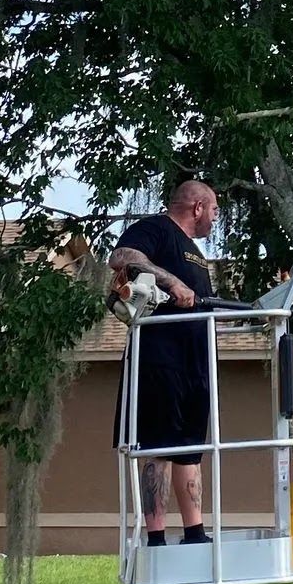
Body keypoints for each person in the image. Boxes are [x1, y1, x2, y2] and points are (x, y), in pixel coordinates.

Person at [110, 179, 219, 546]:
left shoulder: (196, 253)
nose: (216, 219)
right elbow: (121, 257)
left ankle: (194, 532)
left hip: (195, 363)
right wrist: (172, 282)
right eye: (215, 210)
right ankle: (155, 537)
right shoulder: (157, 228)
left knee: (190, 448)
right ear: (198, 207)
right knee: (158, 446)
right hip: (160, 359)